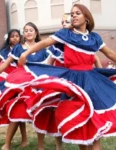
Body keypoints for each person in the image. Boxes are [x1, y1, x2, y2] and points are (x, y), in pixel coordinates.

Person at [16, 4, 116, 150]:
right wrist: (25, 54)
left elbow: (111, 54)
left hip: (91, 81)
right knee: (78, 117)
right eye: (72, 13)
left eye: (78, 13)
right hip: (73, 82)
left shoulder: (95, 38)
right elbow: (44, 43)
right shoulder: (66, 34)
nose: (73, 16)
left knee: (94, 118)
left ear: (87, 18)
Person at [0, 22, 50, 150]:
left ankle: (40, 146)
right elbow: (5, 64)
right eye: (26, 30)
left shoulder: (42, 49)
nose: (28, 32)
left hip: (38, 84)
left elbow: (49, 66)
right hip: (21, 85)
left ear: (36, 32)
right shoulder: (18, 48)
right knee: (16, 111)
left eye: (31, 30)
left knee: (40, 113)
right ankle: (7, 144)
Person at [0, 29, 25, 148]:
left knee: (18, 110)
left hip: (17, 83)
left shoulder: (22, 50)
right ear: (9, 38)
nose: (14, 38)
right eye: (12, 36)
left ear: (20, 38)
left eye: (17, 36)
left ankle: (24, 139)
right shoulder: (5, 51)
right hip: (3, 83)